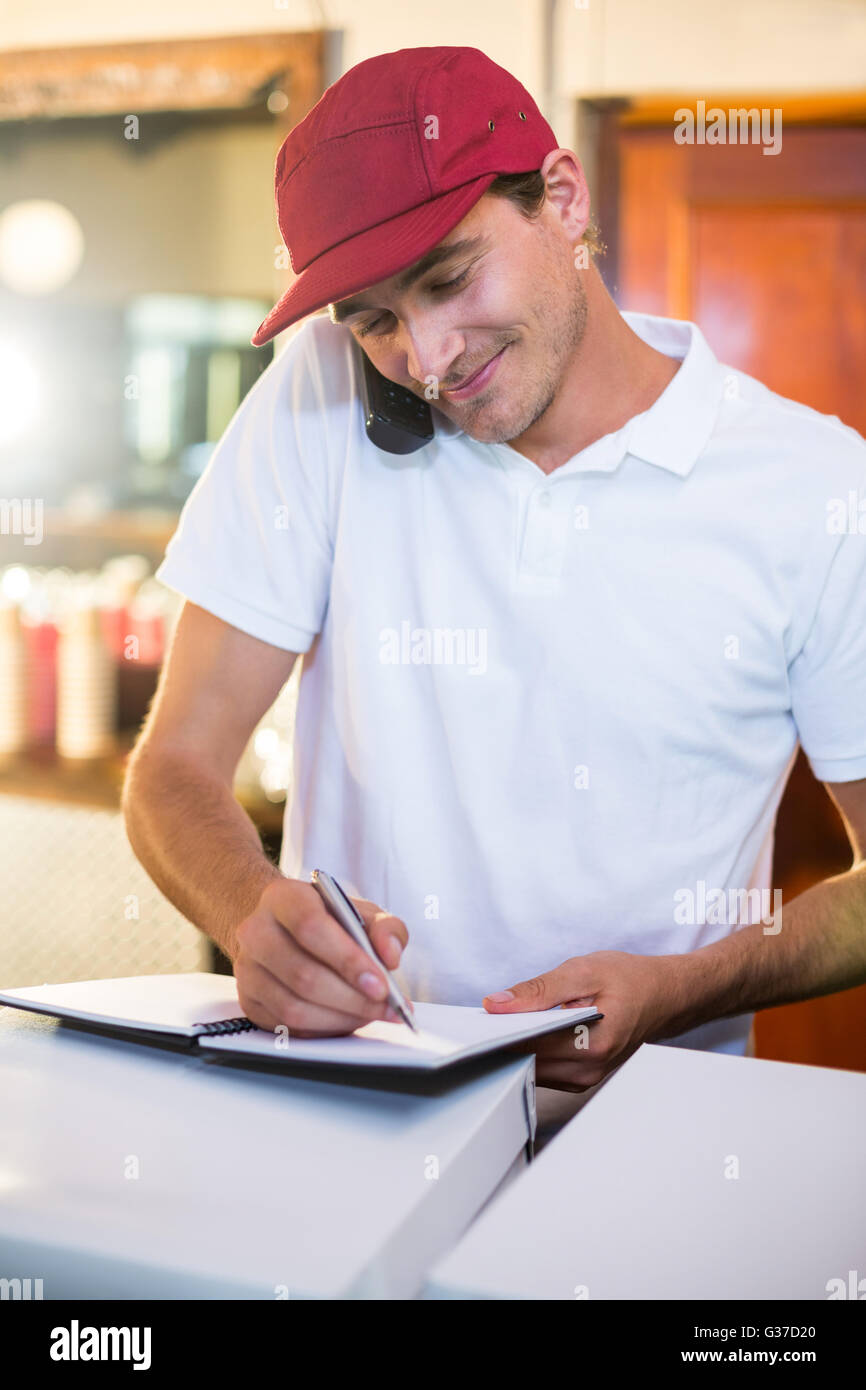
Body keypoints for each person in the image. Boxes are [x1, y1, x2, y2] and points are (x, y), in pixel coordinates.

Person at [123, 46, 866, 1104]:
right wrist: (246, 904)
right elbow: (174, 768)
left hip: (658, 1131)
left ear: (561, 199)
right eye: (374, 318)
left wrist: (683, 987)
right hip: (357, 1105)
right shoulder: (315, 401)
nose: (424, 357)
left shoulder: (815, 485)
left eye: (449, 278)